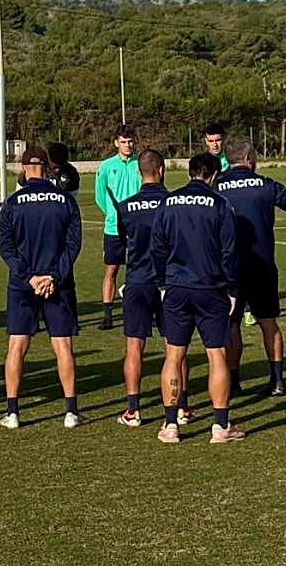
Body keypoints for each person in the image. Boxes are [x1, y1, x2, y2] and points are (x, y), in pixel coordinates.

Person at [151, 153, 244, 444]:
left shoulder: (168, 202)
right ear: (214, 175)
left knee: (174, 354)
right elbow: (230, 251)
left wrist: (162, 283)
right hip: (211, 288)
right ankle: (220, 425)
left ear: (189, 173)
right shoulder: (220, 204)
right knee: (216, 355)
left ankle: (170, 424)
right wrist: (232, 289)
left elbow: (157, 247)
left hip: (177, 288)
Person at [215, 138, 286, 396]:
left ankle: (234, 382)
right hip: (262, 265)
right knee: (268, 322)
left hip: (229, 267)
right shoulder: (265, 184)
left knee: (231, 323)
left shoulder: (216, 186)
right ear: (249, 159)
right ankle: (277, 381)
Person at [0, 145, 84, 429]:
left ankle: (12, 413)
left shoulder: (11, 203)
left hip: (23, 286)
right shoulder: (65, 200)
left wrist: (29, 277)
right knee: (63, 346)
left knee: (17, 346)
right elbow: (73, 244)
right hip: (59, 284)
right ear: (46, 167)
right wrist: (55, 277)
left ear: (23, 168)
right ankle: (71, 411)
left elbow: (6, 247)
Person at [113, 149, 170, 426]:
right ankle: (180, 407)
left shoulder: (125, 207)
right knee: (175, 347)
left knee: (134, 346)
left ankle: (133, 409)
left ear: (139, 173)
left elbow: (124, 241)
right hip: (169, 283)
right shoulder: (173, 203)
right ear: (162, 170)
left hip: (137, 281)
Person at [94, 124, 141, 330]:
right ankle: (107, 314)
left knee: (137, 270)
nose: (128, 145)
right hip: (113, 228)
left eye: (130, 141)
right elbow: (99, 196)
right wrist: (113, 215)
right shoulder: (106, 166)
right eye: (123, 141)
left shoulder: (141, 163)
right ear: (116, 143)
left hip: (137, 227)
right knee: (111, 270)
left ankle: (138, 310)